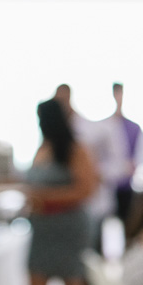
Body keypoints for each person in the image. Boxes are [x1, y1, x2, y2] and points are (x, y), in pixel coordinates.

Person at [24, 98, 100, 285]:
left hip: (67, 228)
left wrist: (45, 197)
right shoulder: (41, 149)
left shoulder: (76, 149)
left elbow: (86, 189)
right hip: (42, 228)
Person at [53, 83, 130, 252]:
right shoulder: (53, 131)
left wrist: (95, 174)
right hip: (63, 209)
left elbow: (119, 164)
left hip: (94, 204)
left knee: (91, 254)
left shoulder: (97, 128)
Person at [104, 82, 143, 225]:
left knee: (128, 223)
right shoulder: (104, 126)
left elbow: (139, 156)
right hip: (106, 185)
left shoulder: (134, 128)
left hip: (126, 185)